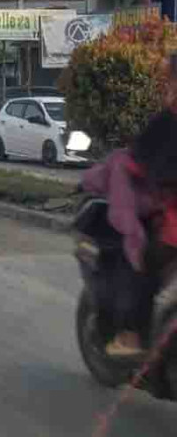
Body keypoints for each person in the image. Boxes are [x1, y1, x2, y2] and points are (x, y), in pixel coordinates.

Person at [82, 110, 177, 356]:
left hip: (167, 225)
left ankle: (132, 337)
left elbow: (138, 169)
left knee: (138, 264)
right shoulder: (164, 123)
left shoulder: (166, 123)